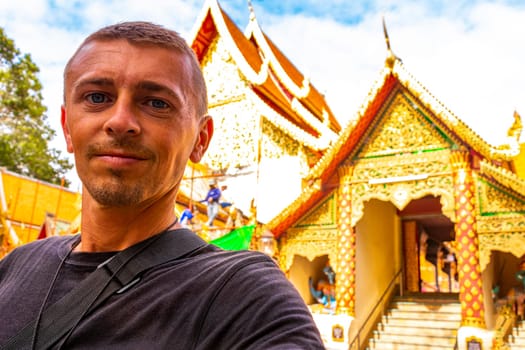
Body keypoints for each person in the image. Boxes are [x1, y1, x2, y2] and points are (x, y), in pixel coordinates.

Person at [0, 22, 324, 349]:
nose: (120, 122)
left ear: (201, 139)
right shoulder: (16, 266)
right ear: (67, 128)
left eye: (156, 103)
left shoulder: (245, 297)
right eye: (97, 97)